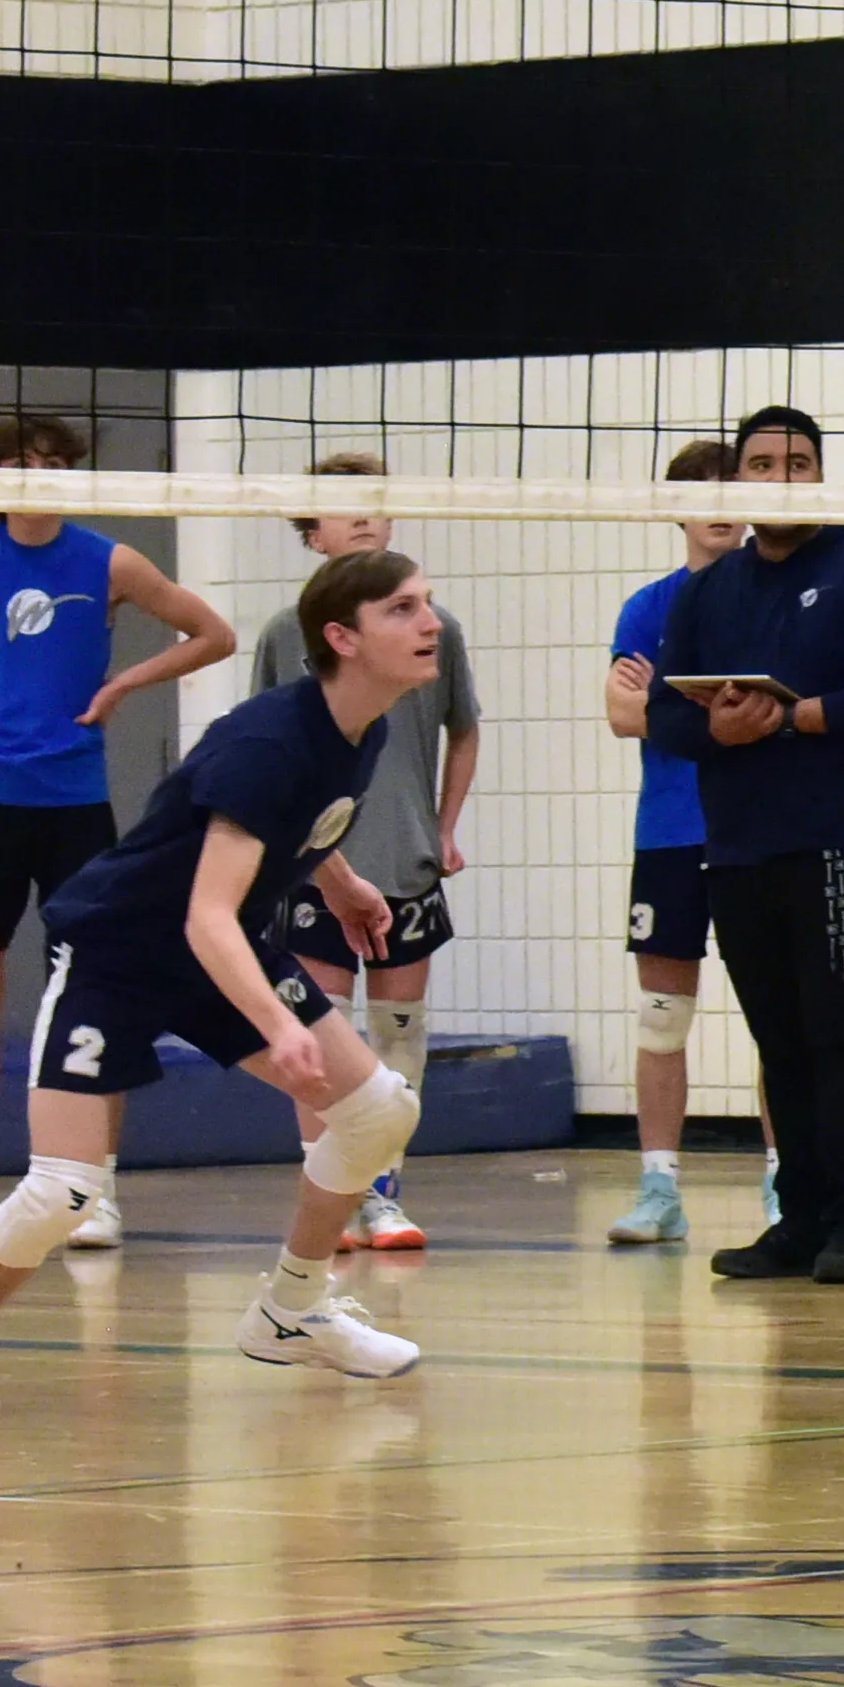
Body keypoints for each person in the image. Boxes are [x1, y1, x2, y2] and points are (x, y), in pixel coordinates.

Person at [0, 544, 444, 1378]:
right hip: (120, 951)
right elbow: (205, 912)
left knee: (379, 1112)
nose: (431, 624)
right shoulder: (270, 740)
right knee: (61, 1193)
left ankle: (290, 1311)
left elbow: (290, 826)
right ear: (343, 638)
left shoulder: (360, 727)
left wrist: (339, 879)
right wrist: (279, 1022)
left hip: (218, 951)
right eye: (404, 610)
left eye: (427, 603)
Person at [644, 403, 844, 1285]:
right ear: (740, 479)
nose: (781, 477)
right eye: (763, 464)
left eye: (798, 462)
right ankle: (798, 1218)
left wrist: (805, 716)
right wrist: (720, 734)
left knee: (841, 1033)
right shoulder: (709, 589)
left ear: (823, 473)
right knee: (780, 1037)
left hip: (840, 841)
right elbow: (663, 713)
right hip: (737, 845)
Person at [0, 414, 239, 1253]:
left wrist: (126, 682)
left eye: (56, 465)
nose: (42, 477)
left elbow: (215, 633)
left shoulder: (109, 560)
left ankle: (93, 1187)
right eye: (25, 464)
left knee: (94, 981)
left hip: (72, 798)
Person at [248, 451, 479, 1256]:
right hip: (317, 866)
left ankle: (383, 1193)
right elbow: (260, 756)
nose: (363, 515)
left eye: (374, 502)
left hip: (406, 859)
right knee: (319, 1032)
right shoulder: (286, 636)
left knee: (397, 1033)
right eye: (340, 506)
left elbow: (466, 726)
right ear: (311, 534)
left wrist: (444, 826)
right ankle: (330, 1196)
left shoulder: (432, 628)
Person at [598, 440, 747, 1249]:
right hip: (669, 831)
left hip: (760, 830)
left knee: (777, 1015)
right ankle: (659, 1188)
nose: (723, 504)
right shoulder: (648, 607)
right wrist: (722, 720)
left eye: (737, 487)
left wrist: (673, 710)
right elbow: (621, 715)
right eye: (705, 491)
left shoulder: (776, 597)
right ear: (676, 507)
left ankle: (783, 1187)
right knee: (662, 1017)